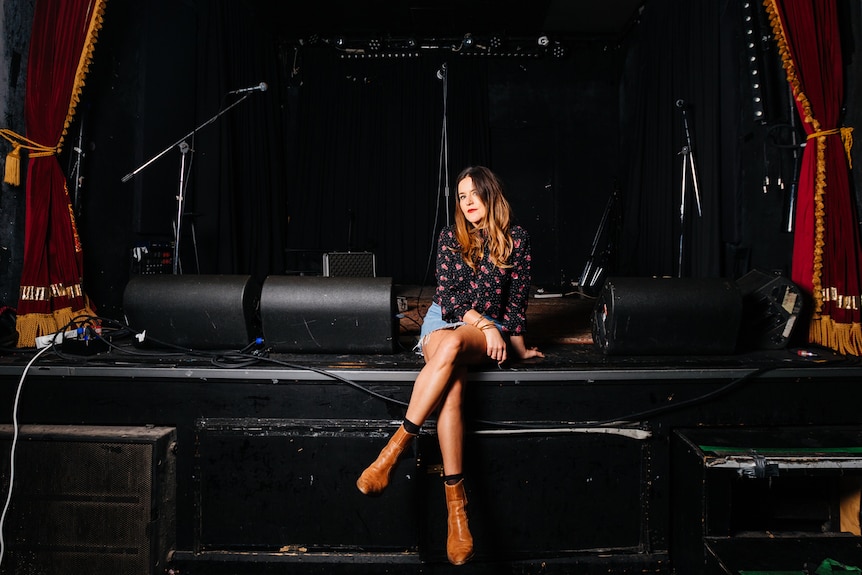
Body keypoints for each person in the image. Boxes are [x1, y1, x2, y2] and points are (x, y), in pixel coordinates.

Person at [356, 165, 544, 566]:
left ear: (491, 195)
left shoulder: (518, 240)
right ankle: (457, 512)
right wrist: (482, 324)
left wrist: (516, 344)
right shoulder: (449, 238)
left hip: (478, 331)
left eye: (475, 193)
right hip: (444, 320)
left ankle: (393, 451)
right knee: (454, 385)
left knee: (456, 343)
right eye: (461, 196)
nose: (468, 202)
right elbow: (451, 300)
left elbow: (515, 303)